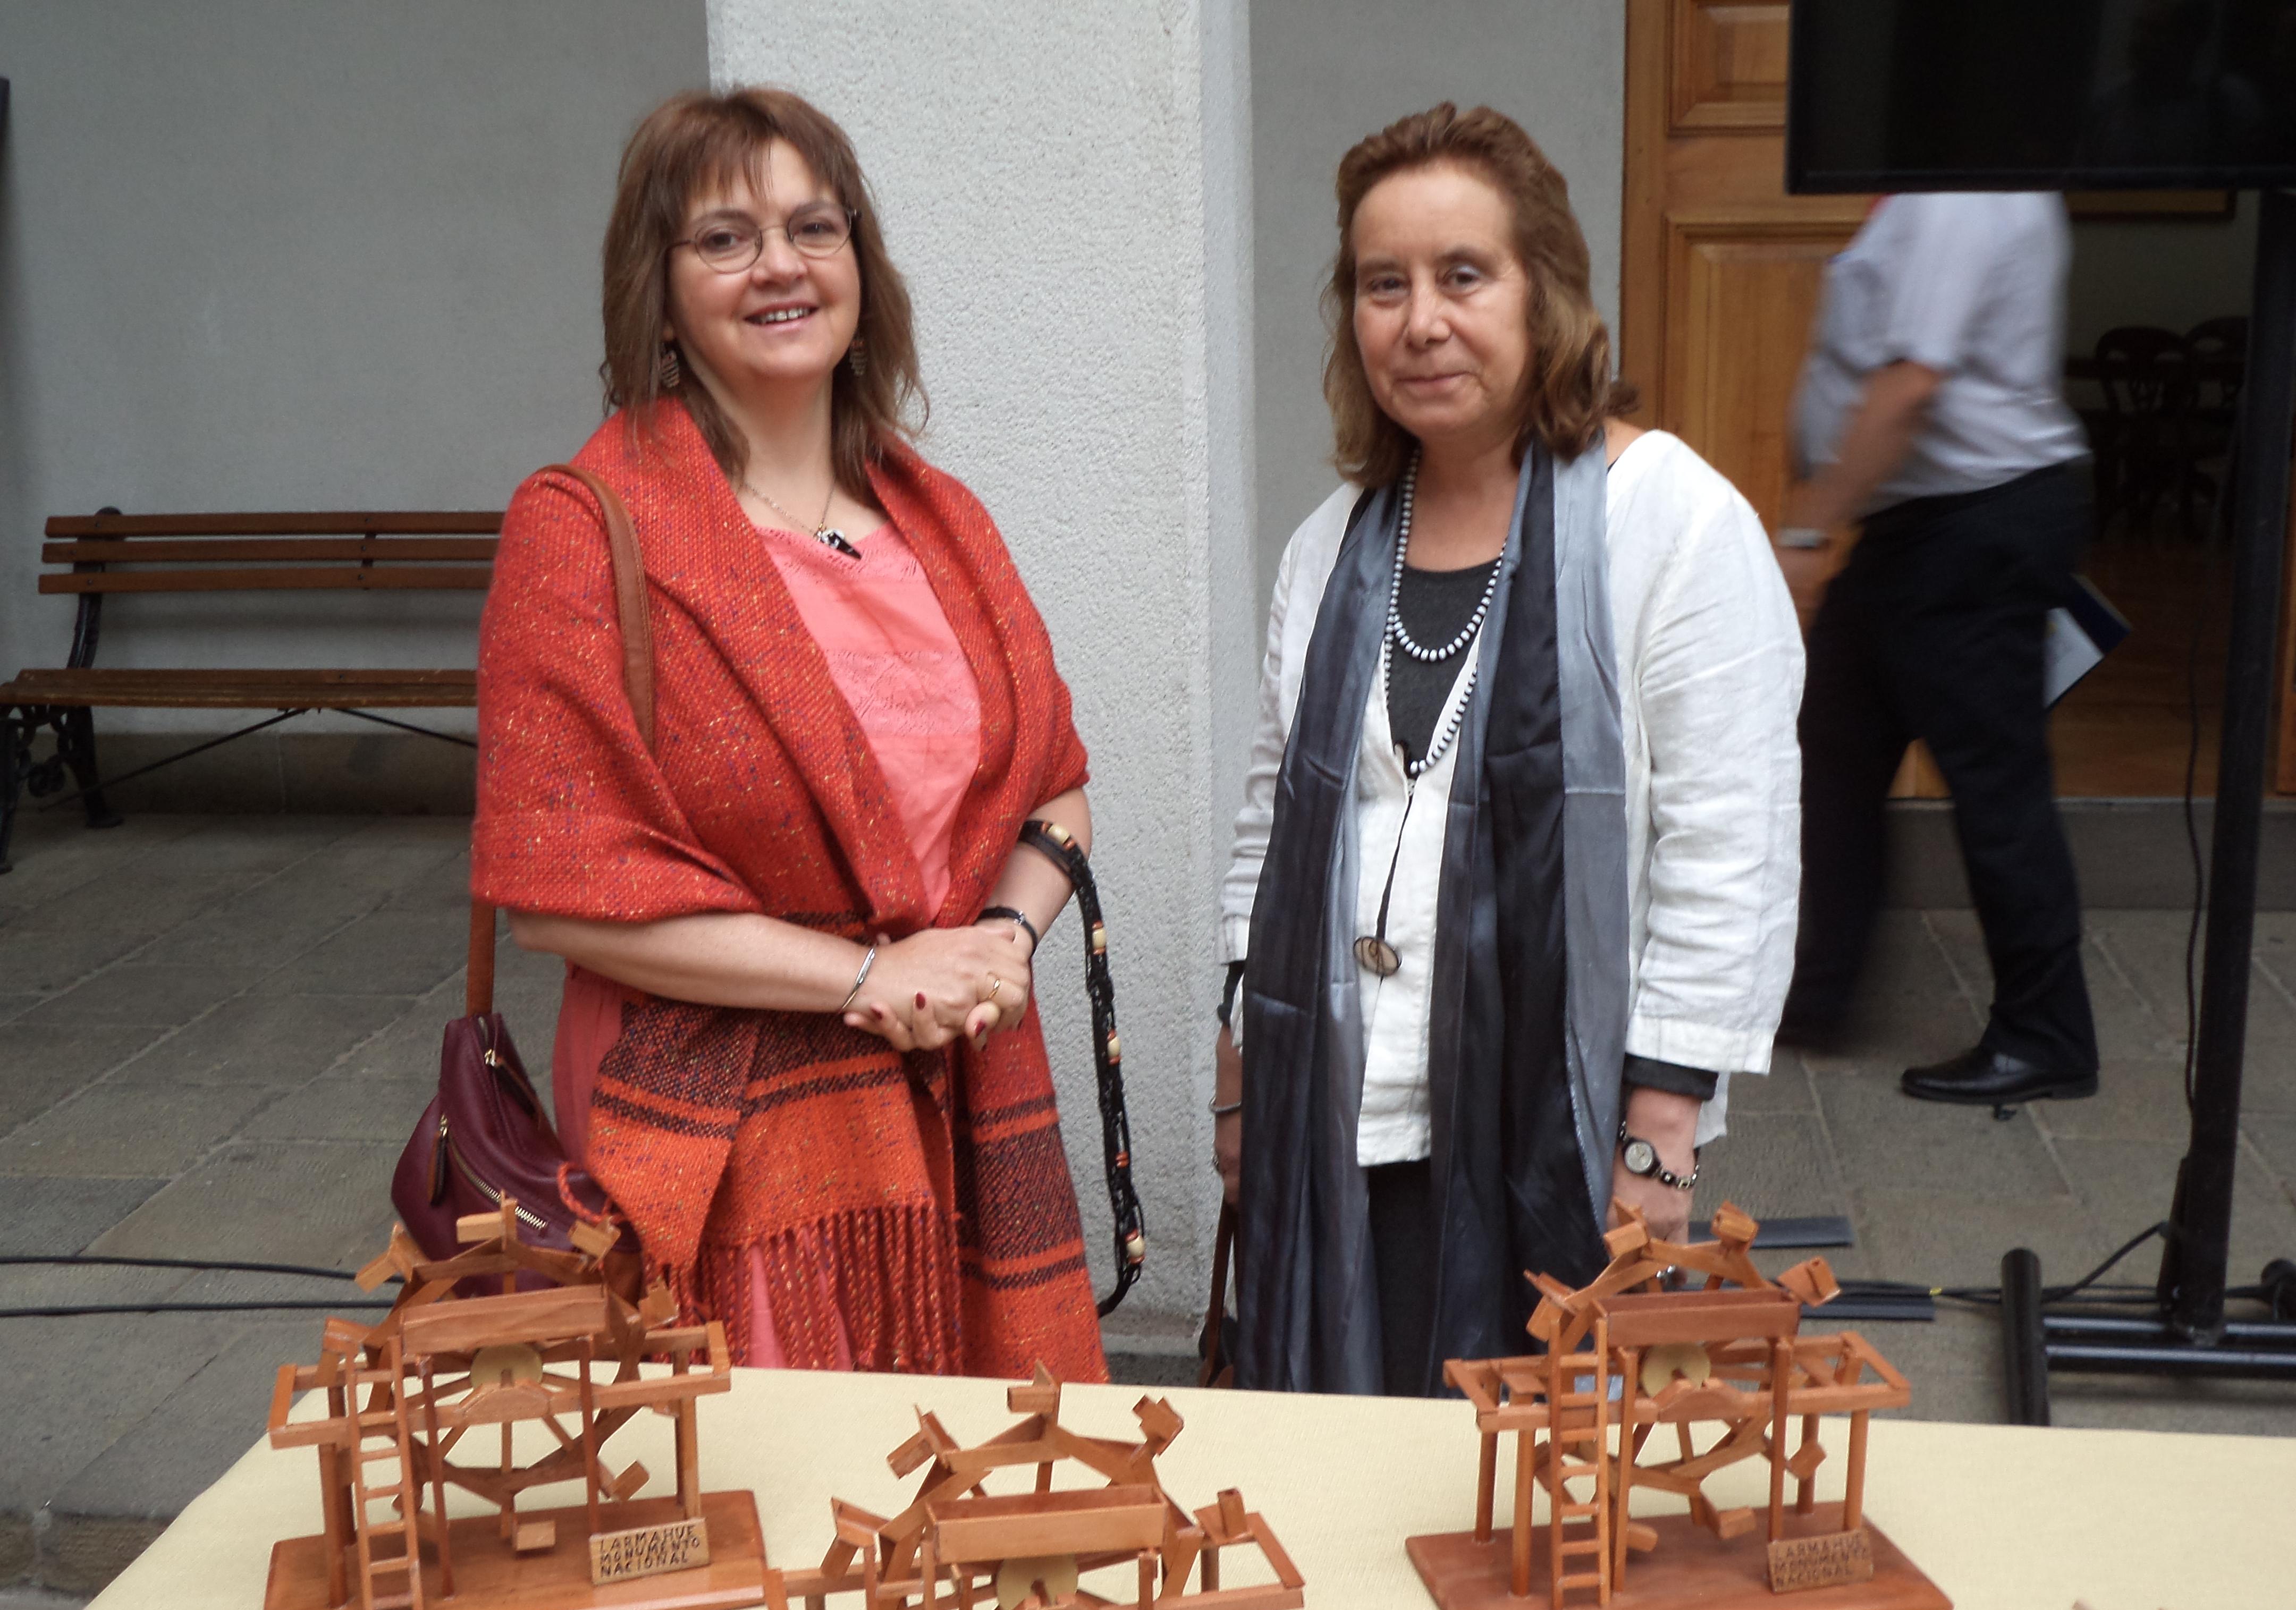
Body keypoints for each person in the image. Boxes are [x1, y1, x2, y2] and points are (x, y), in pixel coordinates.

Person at [472, 88, 1107, 1382]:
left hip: (961, 1094)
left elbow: (1057, 791)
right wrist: (871, 981)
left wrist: (997, 939)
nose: (778, 265)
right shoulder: (587, 530)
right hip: (727, 1131)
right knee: (777, 1514)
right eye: (723, 236)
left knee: (973, 1487)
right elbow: (557, 895)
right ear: (655, 287)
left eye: (813, 227)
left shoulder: (943, 521)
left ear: (860, 266)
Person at [1213, 104, 1802, 1396]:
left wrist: (1656, 1151)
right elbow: (1273, 825)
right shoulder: (1332, 545)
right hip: (1343, 1102)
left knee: (1521, 1477)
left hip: (1559, 1125)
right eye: (1384, 285)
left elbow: (1728, 856)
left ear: (1548, 295)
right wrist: (1239, 1079)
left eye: (1463, 275)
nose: (1420, 320)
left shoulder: (1675, 526)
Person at [1776, 192, 2099, 1108]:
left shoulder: (1962, 193)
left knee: (1998, 787)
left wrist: (1806, 532)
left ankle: (2049, 1035)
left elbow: (1913, 382)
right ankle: (1818, 995)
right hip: (1917, 529)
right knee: (1835, 752)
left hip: (1973, 526)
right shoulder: (1939, 188)